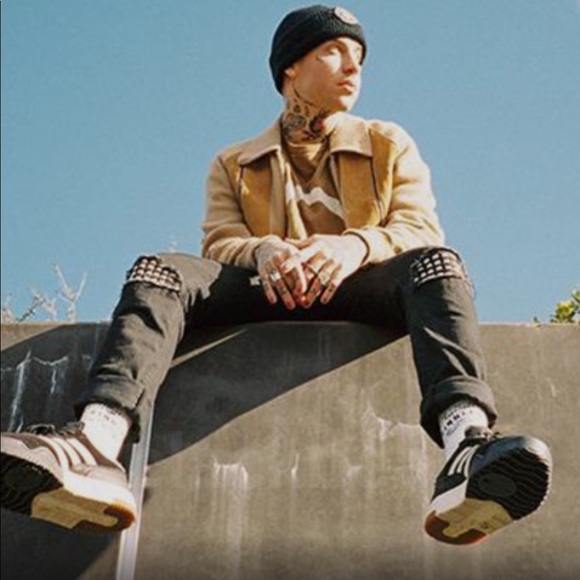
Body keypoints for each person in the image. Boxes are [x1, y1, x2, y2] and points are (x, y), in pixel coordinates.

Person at [0, 5, 551, 545]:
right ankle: (95, 446)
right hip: (267, 286)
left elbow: (418, 227)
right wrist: (264, 250)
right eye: (333, 51)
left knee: (439, 263)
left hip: (362, 285)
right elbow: (219, 241)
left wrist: (353, 245)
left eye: (359, 58)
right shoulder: (234, 162)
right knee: (158, 270)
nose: (353, 67)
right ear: (291, 66)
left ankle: (465, 445)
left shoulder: (387, 142)